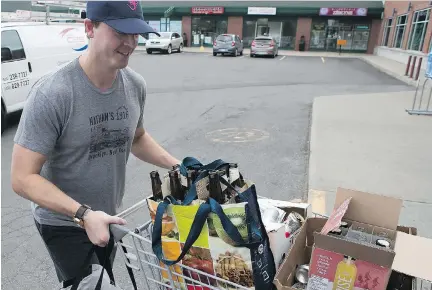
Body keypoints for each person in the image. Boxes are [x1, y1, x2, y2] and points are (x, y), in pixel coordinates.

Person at [11, 1, 180, 288]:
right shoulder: (54, 93)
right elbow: (22, 178)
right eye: (119, 32)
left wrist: (177, 164)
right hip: (64, 221)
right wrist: (83, 215)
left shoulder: (134, 85)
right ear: (89, 28)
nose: (129, 43)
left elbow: (136, 138)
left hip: (109, 216)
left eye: (135, 34)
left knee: (103, 277)